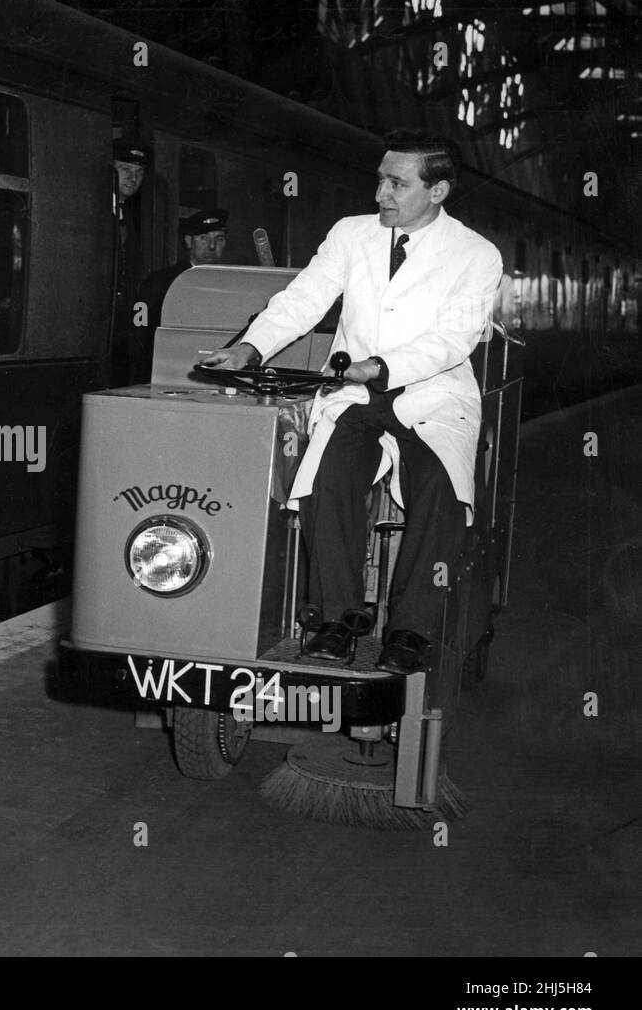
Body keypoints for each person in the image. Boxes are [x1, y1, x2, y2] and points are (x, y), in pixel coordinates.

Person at [200, 130, 502, 674]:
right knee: (328, 478)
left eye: (397, 184)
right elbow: (305, 297)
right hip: (357, 393)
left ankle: (410, 629)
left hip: (432, 394)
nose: (382, 194)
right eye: (380, 181)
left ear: (438, 192)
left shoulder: (477, 255)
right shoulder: (351, 234)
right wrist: (250, 347)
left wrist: (382, 367)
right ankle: (335, 620)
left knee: (441, 492)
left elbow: (452, 340)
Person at [132, 208, 230, 380]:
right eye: (203, 238)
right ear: (188, 241)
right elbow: (141, 337)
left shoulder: (232, 284)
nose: (212, 246)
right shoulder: (161, 281)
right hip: (169, 371)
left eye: (218, 239)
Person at [108, 139, 152, 386]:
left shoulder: (128, 216)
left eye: (139, 172)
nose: (133, 178)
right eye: (125, 169)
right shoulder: (98, 212)